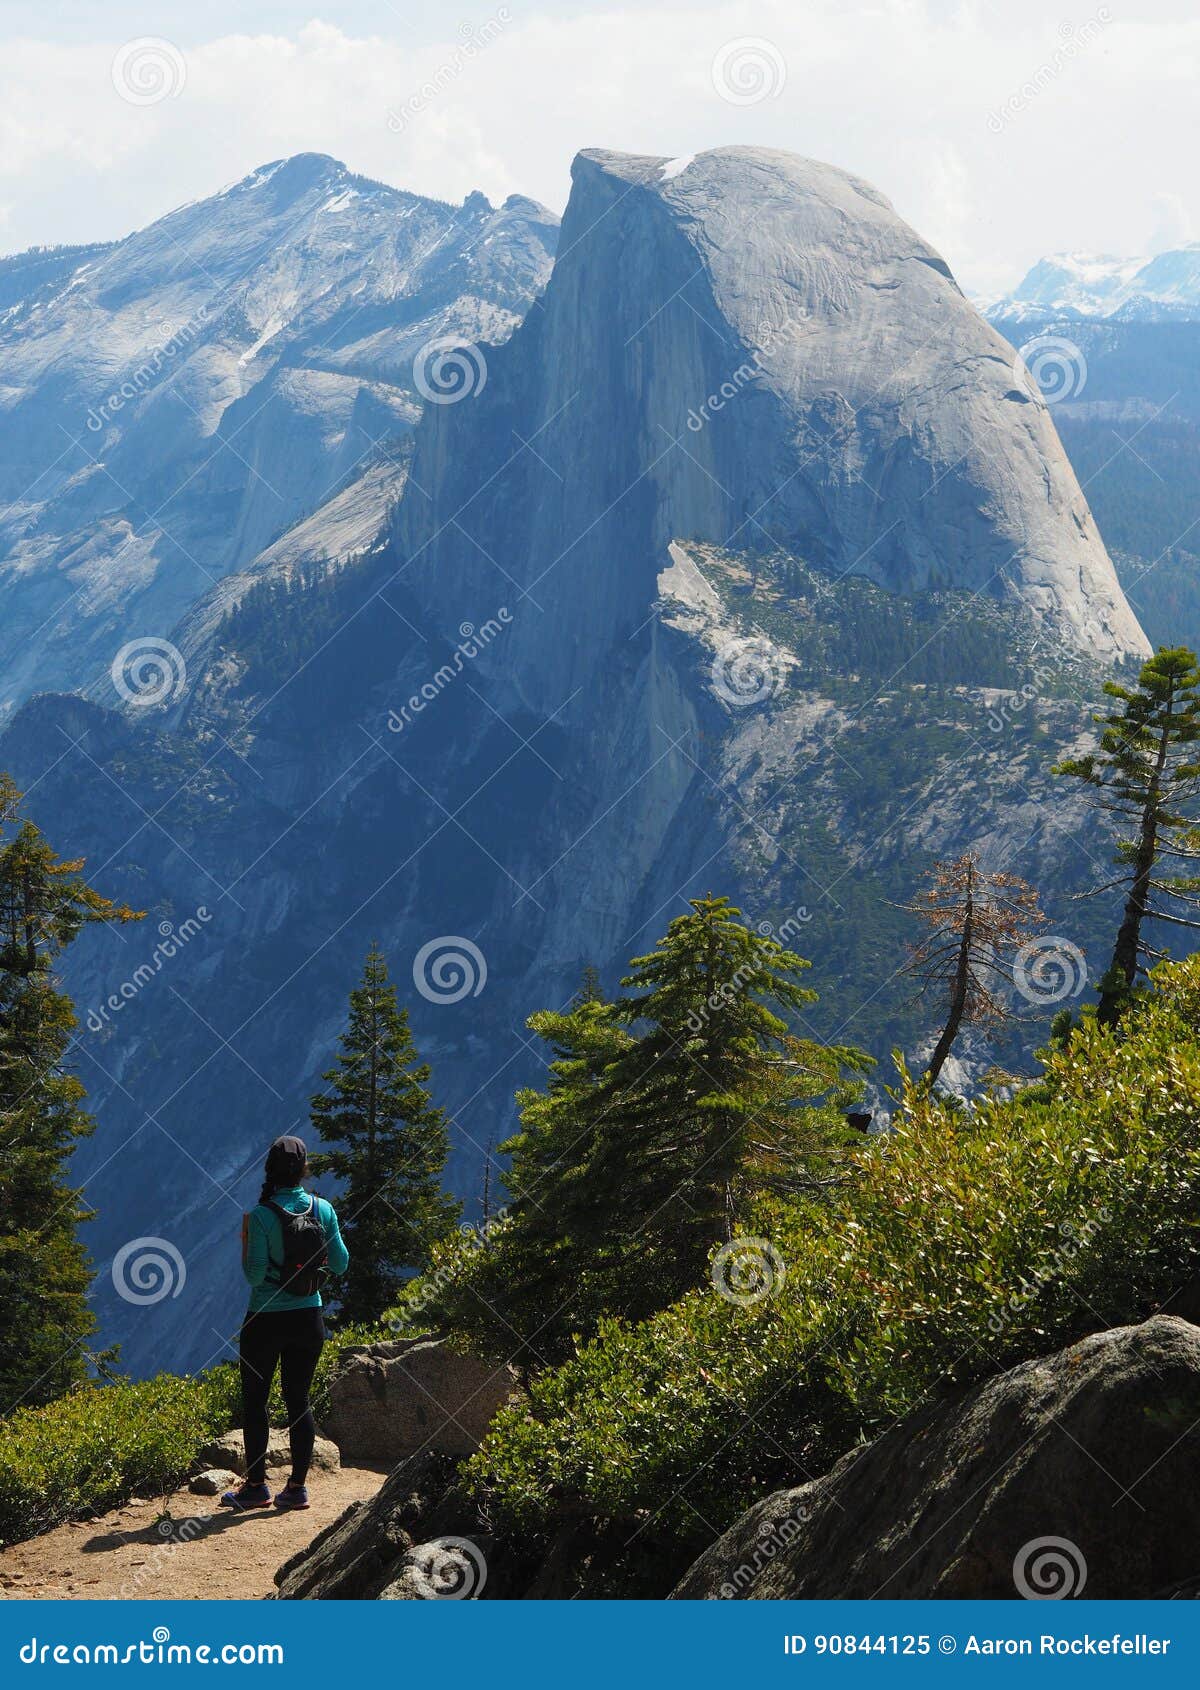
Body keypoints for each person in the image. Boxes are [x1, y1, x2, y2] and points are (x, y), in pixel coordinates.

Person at [221, 1134, 349, 1512]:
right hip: (309, 1318)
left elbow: (255, 1276)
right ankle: (295, 1489)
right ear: (304, 1168)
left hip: (265, 1320)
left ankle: (257, 1487)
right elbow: (340, 1263)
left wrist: (249, 1242)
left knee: (256, 1402)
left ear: (270, 1170)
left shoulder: (261, 1216)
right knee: (299, 1400)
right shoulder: (323, 1209)